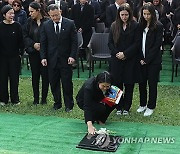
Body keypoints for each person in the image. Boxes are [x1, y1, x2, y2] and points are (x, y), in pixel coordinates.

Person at [40, 4, 78, 111]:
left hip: (66, 59)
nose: (55, 18)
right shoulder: (46, 25)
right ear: (49, 15)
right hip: (51, 60)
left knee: (67, 83)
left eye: (56, 15)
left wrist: (72, 56)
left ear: (60, 12)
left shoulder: (70, 23)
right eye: (52, 16)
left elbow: (74, 42)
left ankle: (69, 105)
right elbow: (43, 42)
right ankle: (57, 103)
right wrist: (43, 57)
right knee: (54, 82)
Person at [108, 3, 140, 115]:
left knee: (129, 83)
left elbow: (136, 43)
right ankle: (118, 106)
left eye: (126, 15)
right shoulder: (114, 26)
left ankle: (126, 107)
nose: (124, 17)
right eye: (122, 15)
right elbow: (110, 43)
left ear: (130, 14)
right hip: (116, 59)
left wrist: (125, 54)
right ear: (119, 15)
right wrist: (117, 53)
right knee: (116, 84)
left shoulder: (135, 25)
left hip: (130, 59)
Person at [137, 2, 163, 116]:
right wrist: (141, 58)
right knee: (142, 83)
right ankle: (142, 104)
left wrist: (147, 59)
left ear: (152, 14)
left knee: (152, 84)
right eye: (144, 14)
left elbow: (157, 45)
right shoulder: (140, 25)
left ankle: (151, 106)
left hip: (153, 61)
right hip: (141, 59)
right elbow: (138, 42)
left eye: (148, 14)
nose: (146, 16)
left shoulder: (158, 26)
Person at [23, 2, 49, 105]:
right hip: (33, 53)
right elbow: (24, 36)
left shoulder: (47, 21)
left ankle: (44, 99)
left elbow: (51, 36)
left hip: (45, 54)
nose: (30, 13)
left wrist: (42, 46)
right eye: (29, 11)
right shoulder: (29, 22)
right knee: (35, 76)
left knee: (45, 76)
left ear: (38, 11)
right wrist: (33, 44)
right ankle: (36, 99)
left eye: (32, 11)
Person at [0, 4, 24, 105]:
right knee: (2, 78)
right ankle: (3, 99)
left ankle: (15, 99)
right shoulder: (0, 26)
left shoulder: (17, 26)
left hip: (14, 57)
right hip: (2, 57)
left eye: (13, 13)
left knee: (14, 79)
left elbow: (21, 41)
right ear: (4, 15)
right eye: (9, 13)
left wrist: (20, 53)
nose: (12, 15)